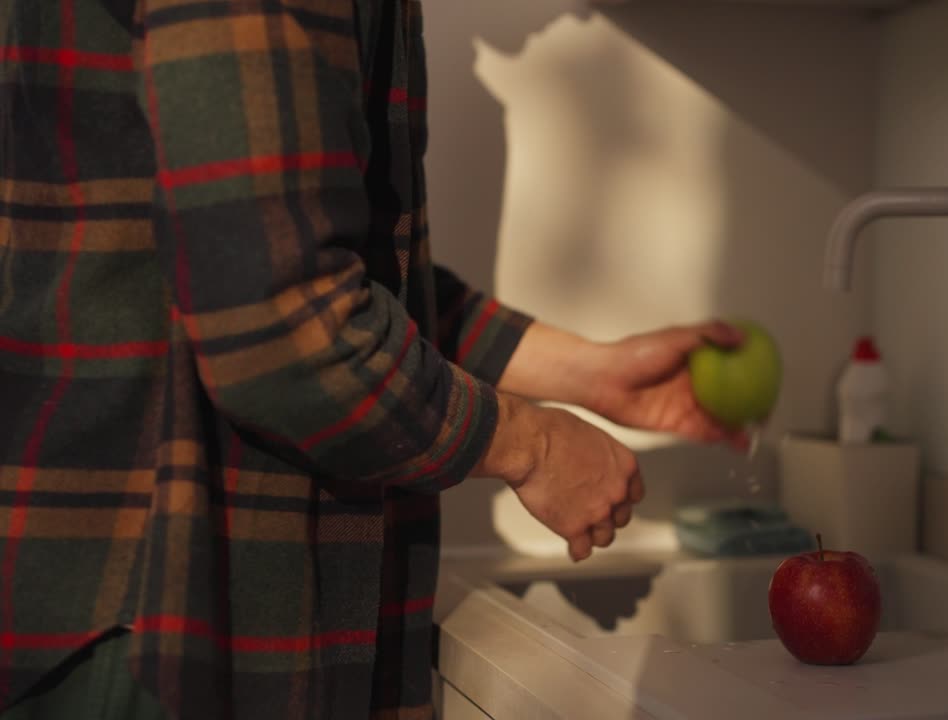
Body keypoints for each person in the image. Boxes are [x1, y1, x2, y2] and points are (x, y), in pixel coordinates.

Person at [0, 1, 747, 717]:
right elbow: (278, 320)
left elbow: (323, 269)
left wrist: (591, 374)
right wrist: (530, 444)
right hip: (163, 617)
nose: (574, 12)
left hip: (123, 601)